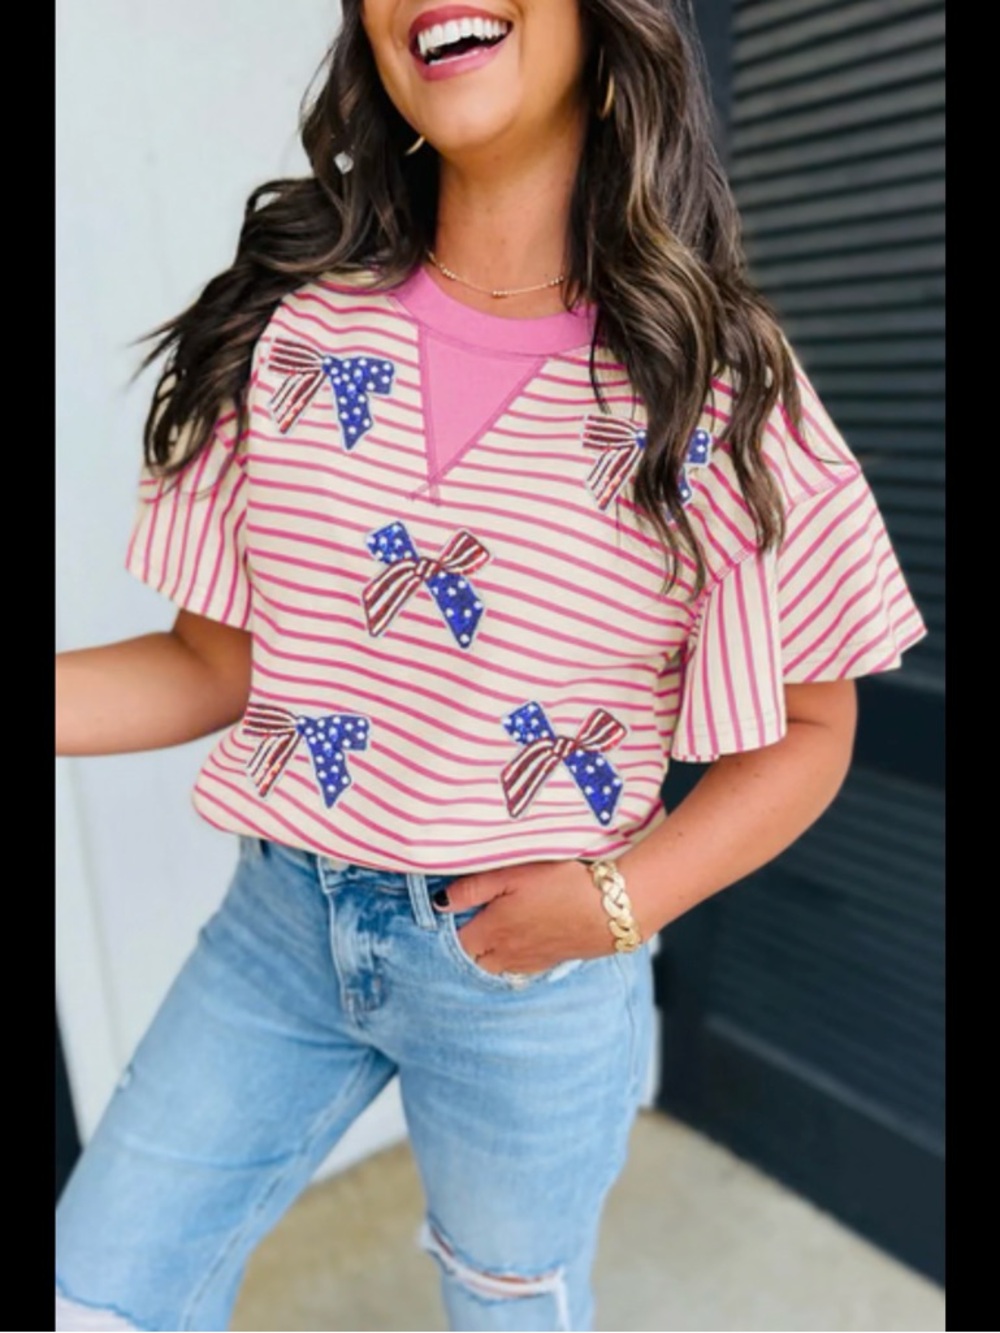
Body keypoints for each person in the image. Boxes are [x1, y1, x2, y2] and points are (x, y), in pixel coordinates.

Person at [54, 1, 928, 1330]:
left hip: (534, 972)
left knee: (507, 1305)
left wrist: (621, 903)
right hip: (284, 926)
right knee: (98, 1283)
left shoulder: (717, 379)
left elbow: (812, 725)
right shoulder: (295, 327)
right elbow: (209, 665)